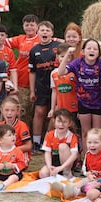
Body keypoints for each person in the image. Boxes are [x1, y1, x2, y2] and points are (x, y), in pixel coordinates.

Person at [60, 39, 101, 150]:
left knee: (98, 132)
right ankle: (87, 157)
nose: (92, 51)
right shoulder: (78, 62)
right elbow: (61, 72)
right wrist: (68, 53)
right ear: (83, 51)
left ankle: (99, 156)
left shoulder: (100, 63)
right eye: (89, 48)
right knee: (85, 131)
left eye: (95, 49)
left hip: (98, 102)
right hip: (83, 102)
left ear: (98, 53)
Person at [28, 21, 61, 150]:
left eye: (47, 30)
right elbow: (32, 72)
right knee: (40, 112)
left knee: (55, 113)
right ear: (38, 33)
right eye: (42, 30)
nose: (45, 32)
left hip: (57, 86)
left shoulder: (58, 46)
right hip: (41, 86)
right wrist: (31, 91)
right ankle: (36, 141)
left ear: (52, 33)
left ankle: (48, 141)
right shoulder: (34, 50)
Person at [53, 127, 101, 199]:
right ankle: (64, 188)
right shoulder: (88, 154)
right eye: (89, 142)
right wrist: (88, 174)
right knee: (80, 182)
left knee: (87, 187)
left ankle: (75, 192)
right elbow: (84, 168)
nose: (92, 145)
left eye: (96, 142)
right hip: (90, 178)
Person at [7, 14, 40, 118]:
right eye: (27, 25)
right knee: (22, 109)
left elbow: (60, 42)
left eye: (32, 24)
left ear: (37, 26)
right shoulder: (20, 39)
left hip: (36, 80)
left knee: (35, 110)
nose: (29, 27)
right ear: (23, 26)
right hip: (21, 78)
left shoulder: (42, 38)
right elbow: (1, 40)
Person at [38, 108, 79, 179]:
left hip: (66, 164)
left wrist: (62, 168)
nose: (61, 124)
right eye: (59, 121)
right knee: (43, 174)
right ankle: (55, 173)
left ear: (69, 123)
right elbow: (47, 152)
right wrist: (49, 166)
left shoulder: (72, 136)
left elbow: (74, 155)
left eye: (64, 122)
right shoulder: (49, 135)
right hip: (54, 162)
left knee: (62, 146)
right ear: (54, 122)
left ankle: (67, 172)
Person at [0, 97, 32, 168]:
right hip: (6, 154)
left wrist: (12, 150)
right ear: (1, 110)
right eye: (6, 110)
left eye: (12, 110)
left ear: (17, 111)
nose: (9, 113)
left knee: (8, 168)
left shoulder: (22, 125)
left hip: (20, 154)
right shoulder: (0, 125)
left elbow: (28, 146)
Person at [50, 43, 78, 126]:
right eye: (62, 56)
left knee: (74, 127)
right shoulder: (54, 73)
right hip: (61, 108)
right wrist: (52, 108)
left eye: (68, 56)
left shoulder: (74, 72)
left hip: (74, 107)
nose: (65, 59)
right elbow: (54, 91)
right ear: (57, 57)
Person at [0, 23, 18, 92]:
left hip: (6, 81)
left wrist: (15, 86)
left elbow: (13, 70)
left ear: (6, 36)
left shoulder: (9, 51)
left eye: (2, 35)